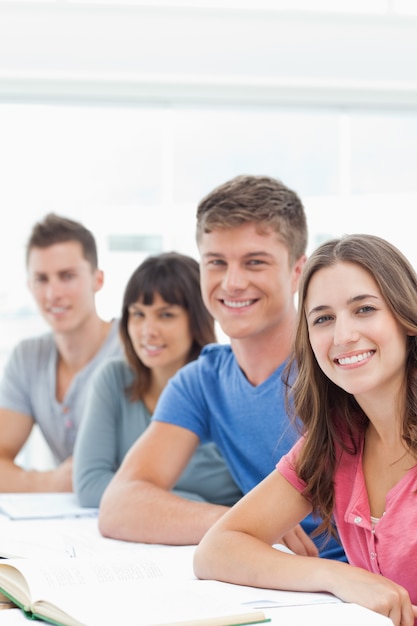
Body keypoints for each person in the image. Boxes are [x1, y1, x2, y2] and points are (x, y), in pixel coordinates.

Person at [98, 174, 346, 561]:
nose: (232, 283)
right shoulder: (203, 381)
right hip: (279, 582)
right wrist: (240, 523)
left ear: (298, 270)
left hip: (366, 586)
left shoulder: (339, 364)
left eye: (255, 262)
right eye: (216, 262)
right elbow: (119, 506)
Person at [194, 233, 417, 626]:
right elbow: (217, 550)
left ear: (405, 316)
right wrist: (338, 576)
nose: (343, 336)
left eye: (364, 309)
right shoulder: (337, 440)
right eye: (323, 318)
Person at [73, 251, 242, 508]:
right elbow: (90, 485)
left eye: (166, 315)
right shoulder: (114, 379)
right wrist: (191, 506)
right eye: (138, 314)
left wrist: (138, 497)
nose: (147, 332)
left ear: (197, 319)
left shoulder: (232, 387)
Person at [0, 213, 121, 492]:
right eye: (41, 279)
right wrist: (50, 481)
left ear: (98, 279)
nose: (53, 293)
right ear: (30, 286)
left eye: (67, 276)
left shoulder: (136, 349)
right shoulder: (27, 358)